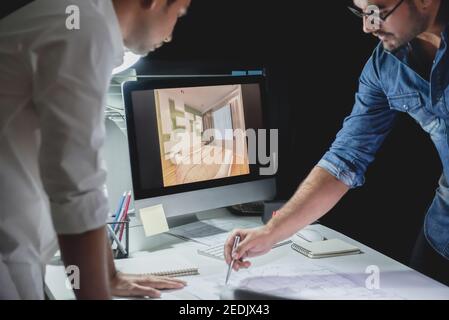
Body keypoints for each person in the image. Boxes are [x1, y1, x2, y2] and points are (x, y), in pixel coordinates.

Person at [224, 0, 449, 286]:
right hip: (442, 231)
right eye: (361, 13)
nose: (367, 26)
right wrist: (272, 231)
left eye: (376, 12)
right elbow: (344, 160)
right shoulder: (384, 65)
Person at [0, 0, 191, 299]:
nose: (170, 35)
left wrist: (110, 276)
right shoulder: (85, 28)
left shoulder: (79, 16)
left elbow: (82, 181)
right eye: (178, 13)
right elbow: (76, 190)